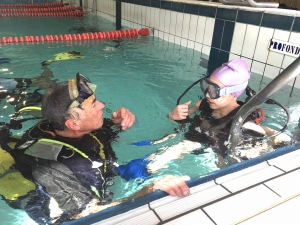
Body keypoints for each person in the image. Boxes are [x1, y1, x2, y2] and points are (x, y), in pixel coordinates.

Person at [1, 73, 190, 225]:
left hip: (100, 172)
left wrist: (117, 124)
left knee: (182, 147)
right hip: (60, 204)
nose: (102, 105)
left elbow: (101, 138)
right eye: (93, 104)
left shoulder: (68, 127)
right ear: (73, 123)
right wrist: (146, 192)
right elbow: (87, 214)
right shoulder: (52, 167)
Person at [140, 58, 292, 172]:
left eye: (214, 91)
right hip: (195, 140)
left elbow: (270, 134)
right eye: (206, 86)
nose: (207, 94)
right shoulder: (203, 105)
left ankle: (145, 172)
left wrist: (277, 139)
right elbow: (178, 120)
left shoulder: (242, 121)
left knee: (183, 146)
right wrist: (172, 116)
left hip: (213, 153)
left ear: (233, 93)